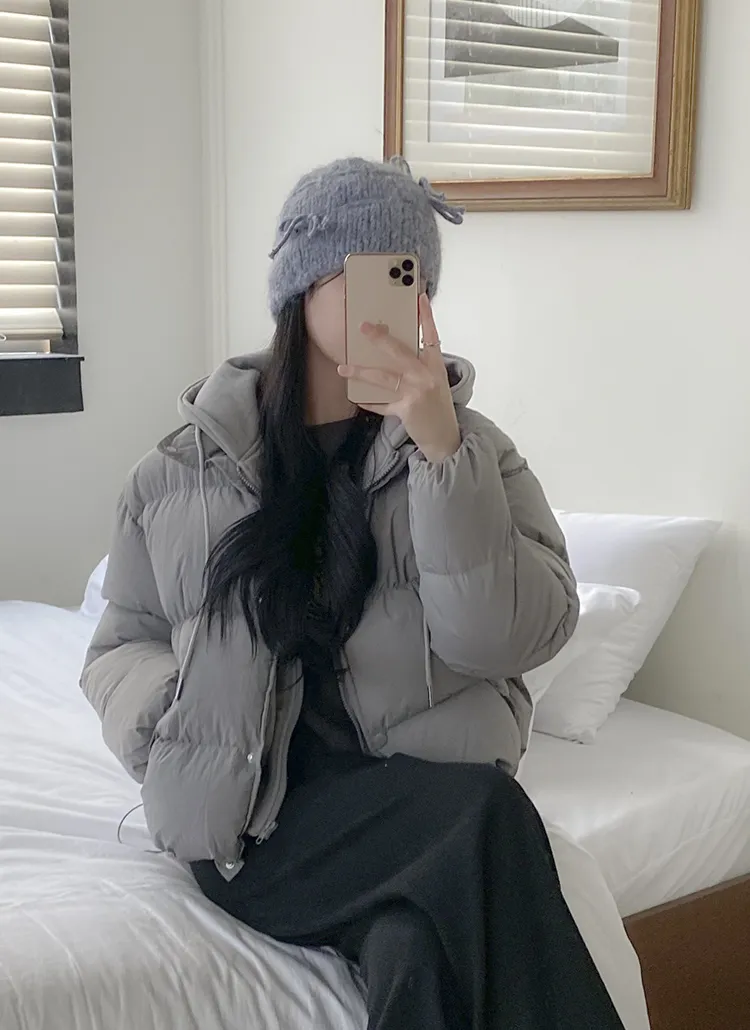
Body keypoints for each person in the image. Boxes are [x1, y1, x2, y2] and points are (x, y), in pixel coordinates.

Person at [81, 157, 625, 1029]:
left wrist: (442, 456)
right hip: (256, 831)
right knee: (491, 814)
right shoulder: (180, 471)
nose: (394, 302)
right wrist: (179, 723)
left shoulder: (471, 452)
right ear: (302, 286)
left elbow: (502, 640)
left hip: (411, 804)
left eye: (411, 280)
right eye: (368, 273)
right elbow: (120, 646)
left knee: (414, 949)